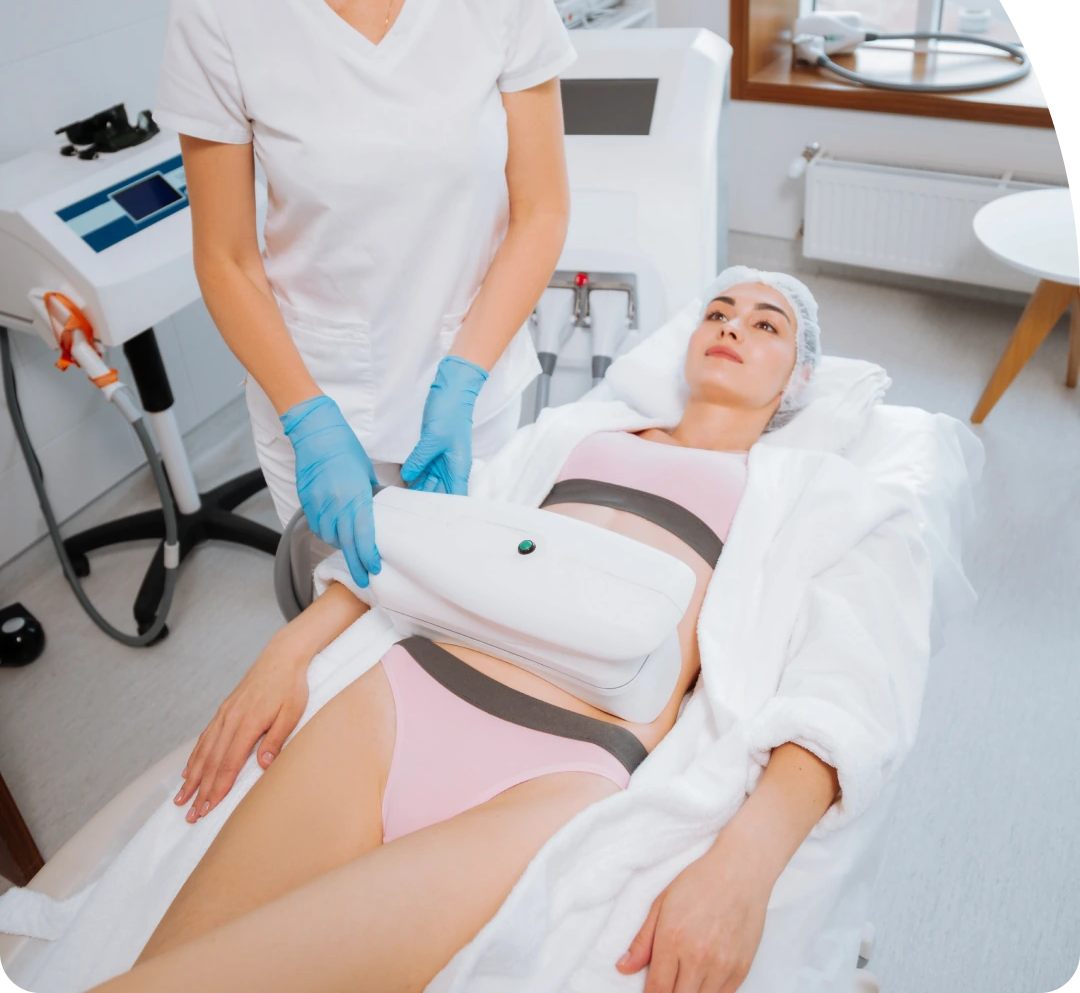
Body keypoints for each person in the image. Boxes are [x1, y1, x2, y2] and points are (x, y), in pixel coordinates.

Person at [91, 273, 842, 993]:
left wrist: (751, 858)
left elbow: (835, 678)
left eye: (765, 324)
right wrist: (287, 649)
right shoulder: (575, 433)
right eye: (717, 312)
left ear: (798, 378)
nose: (733, 326)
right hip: (405, 698)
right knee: (165, 968)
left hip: (561, 761)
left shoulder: (799, 492)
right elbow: (428, 538)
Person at [155, 0, 575, 589]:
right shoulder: (218, 8)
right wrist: (309, 420)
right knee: (355, 641)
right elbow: (227, 257)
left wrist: (461, 383)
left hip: (480, 392)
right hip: (316, 401)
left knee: (484, 617)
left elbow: (540, 210)